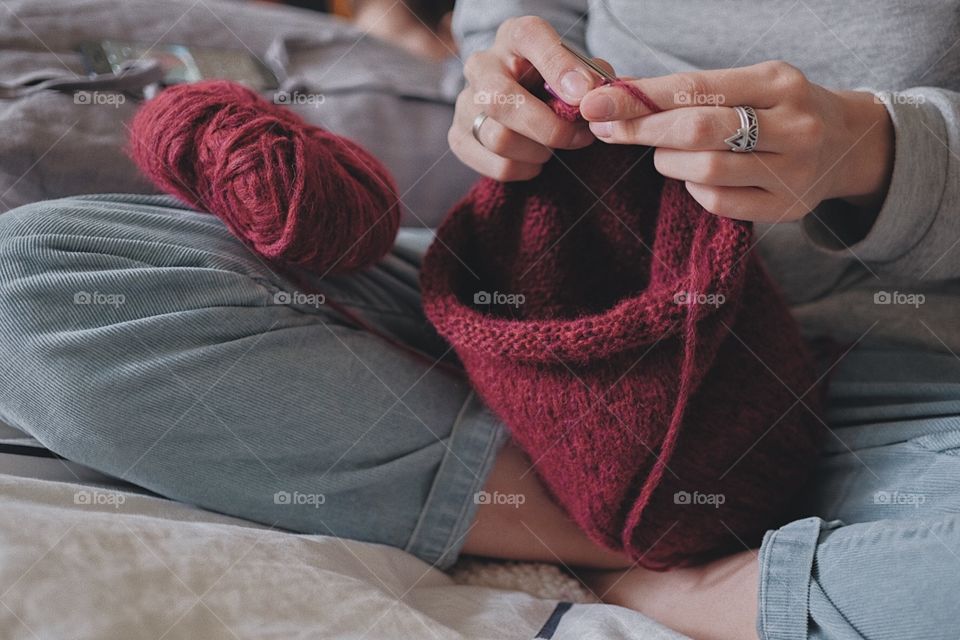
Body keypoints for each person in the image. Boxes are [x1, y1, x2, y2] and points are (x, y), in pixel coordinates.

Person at [0, 3, 958, 640]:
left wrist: (879, 156)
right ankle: (616, 531)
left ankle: (681, 553)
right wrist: (500, 85)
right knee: (35, 281)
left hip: (893, 384)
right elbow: (516, 25)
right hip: (536, 310)